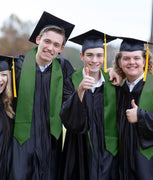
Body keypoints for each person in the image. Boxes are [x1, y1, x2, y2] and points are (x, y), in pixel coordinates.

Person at [11, 11, 75, 180]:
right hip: (21, 142)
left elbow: (88, 82)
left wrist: (114, 73)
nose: (50, 48)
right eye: (47, 41)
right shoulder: (16, 66)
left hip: (51, 143)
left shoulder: (64, 69)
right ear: (38, 40)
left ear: (61, 49)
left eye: (56, 45)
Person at [60, 29, 119, 180]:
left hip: (107, 153)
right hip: (78, 150)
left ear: (104, 56)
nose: (94, 60)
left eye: (99, 55)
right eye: (89, 55)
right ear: (82, 56)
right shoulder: (70, 81)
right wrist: (80, 90)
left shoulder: (114, 83)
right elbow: (67, 119)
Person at [113, 37, 153, 180]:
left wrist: (141, 116)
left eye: (136, 58)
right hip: (122, 166)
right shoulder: (118, 89)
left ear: (144, 61)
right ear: (119, 62)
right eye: (126, 58)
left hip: (148, 166)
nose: (131, 62)